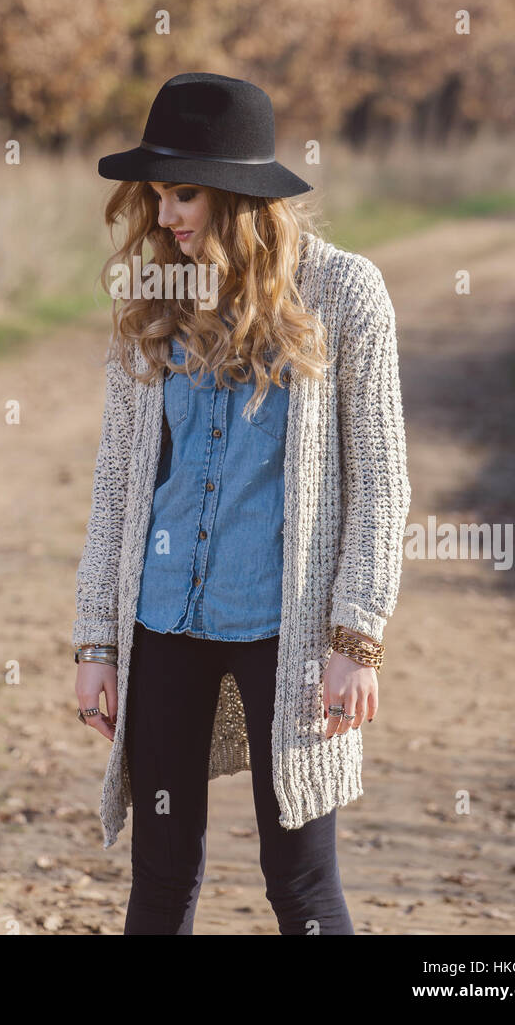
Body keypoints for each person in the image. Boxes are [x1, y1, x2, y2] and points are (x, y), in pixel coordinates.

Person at [72, 72, 411, 935]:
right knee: (159, 882)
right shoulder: (154, 305)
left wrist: (354, 638)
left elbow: (379, 480)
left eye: (183, 193)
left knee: (299, 885)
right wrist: (97, 639)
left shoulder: (344, 295)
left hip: (285, 630)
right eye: (156, 195)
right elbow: (117, 483)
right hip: (164, 625)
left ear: (238, 194)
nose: (167, 214)